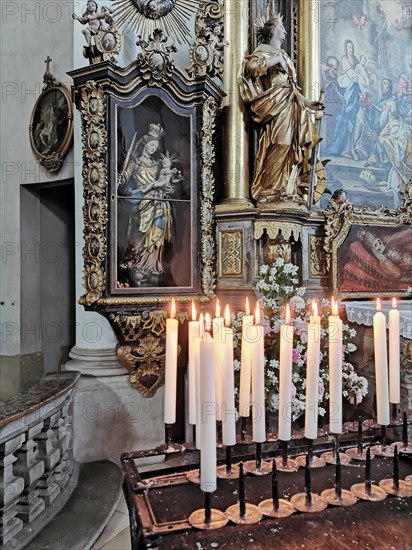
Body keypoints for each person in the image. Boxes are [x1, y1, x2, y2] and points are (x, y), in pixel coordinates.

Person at [239, 16, 323, 203]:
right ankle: (267, 190)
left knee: (289, 147)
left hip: (289, 102)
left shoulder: (285, 56)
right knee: (280, 143)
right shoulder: (264, 51)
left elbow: (292, 86)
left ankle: (282, 188)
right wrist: (274, 59)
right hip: (273, 103)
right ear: (272, 30)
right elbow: (251, 67)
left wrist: (308, 103)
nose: (284, 31)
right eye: (281, 27)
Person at [118, 123, 175, 284]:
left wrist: (167, 186)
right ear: (145, 143)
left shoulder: (157, 164)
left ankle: (153, 266)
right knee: (140, 235)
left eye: (156, 146)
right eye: (151, 144)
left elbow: (167, 184)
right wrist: (121, 177)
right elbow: (124, 180)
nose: (153, 148)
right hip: (142, 203)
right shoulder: (135, 162)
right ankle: (137, 263)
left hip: (159, 204)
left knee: (157, 235)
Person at [324, 39, 361, 159]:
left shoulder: (356, 60)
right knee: (343, 119)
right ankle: (341, 148)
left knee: (352, 120)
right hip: (347, 91)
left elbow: (358, 78)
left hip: (354, 94)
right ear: (346, 48)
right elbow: (353, 77)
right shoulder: (344, 59)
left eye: (353, 47)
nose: (351, 50)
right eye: (349, 47)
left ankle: (350, 149)